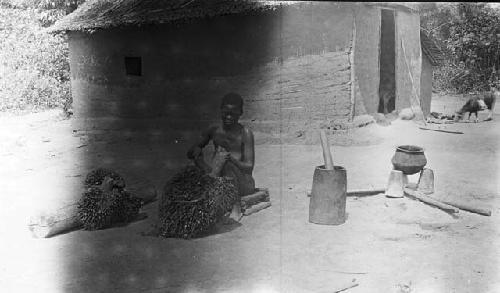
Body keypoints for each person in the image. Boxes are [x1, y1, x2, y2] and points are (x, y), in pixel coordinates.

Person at [187, 93, 256, 221]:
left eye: (233, 114)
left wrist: (230, 158)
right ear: (221, 111)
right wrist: (196, 152)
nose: (228, 117)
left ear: (240, 113)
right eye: (225, 113)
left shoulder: (245, 133)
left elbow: (249, 166)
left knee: (226, 164)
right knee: (196, 166)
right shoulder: (214, 130)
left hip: (243, 182)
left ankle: (236, 208)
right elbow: (190, 151)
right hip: (218, 176)